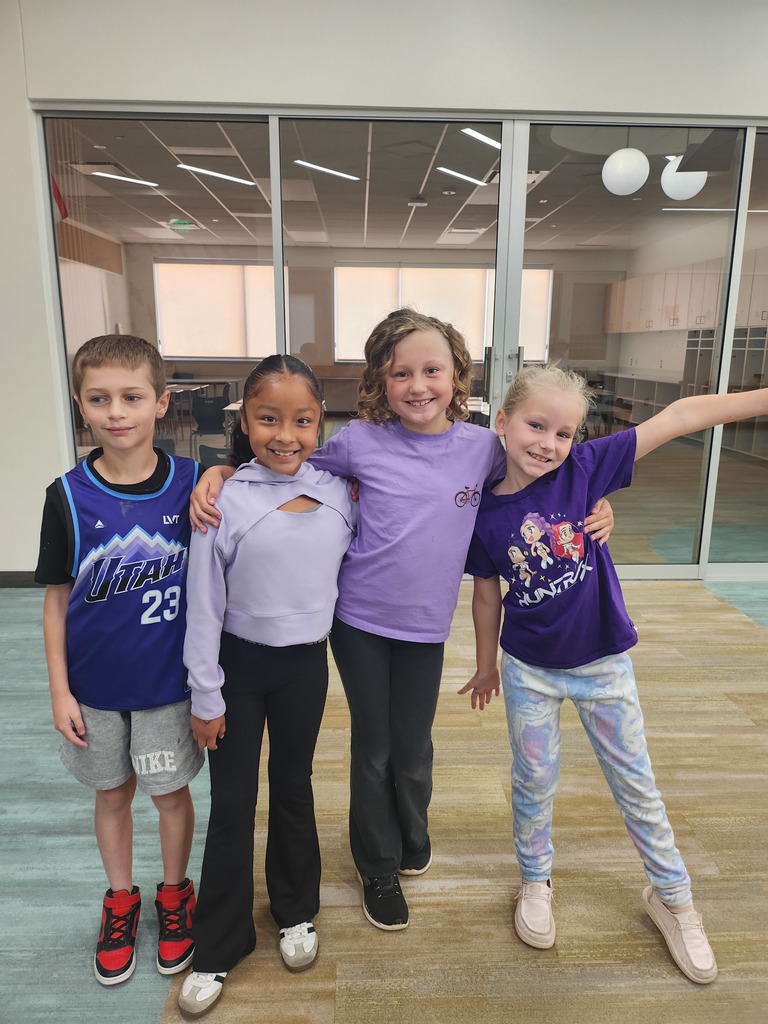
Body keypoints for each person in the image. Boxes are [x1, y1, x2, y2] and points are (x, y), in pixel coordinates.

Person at [189, 310, 614, 934]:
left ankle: (412, 834)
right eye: (401, 373)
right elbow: (286, 465)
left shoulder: (481, 449)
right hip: (357, 620)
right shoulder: (357, 442)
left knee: (413, 749)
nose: (418, 385)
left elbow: (539, 475)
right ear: (380, 383)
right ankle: (377, 865)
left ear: (456, 376)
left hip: (427, 626)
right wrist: (220, 471)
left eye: (432, 371)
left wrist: (597, 505)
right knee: (375, 748)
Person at [461, 363, 768, 985]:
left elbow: (679, 416)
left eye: (565, 432)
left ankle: (673, 898)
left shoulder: (585, 470)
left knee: (637, 787)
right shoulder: (483, 515)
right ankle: (535, 880)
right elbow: (488, 595)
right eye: (536, 425)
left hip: (604, 667)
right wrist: (487, 665)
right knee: (533, 782)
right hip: (529, 673)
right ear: (502, 420)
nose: (548, 443)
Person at [178, 355, 355, 1018]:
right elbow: (204, 605)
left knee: (293, 788)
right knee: (231, 805)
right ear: (244, 422)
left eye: (302, 420)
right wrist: (206, 694)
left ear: (320, 424)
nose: (286, 434)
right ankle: (218, 945)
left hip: (306, 667)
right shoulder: (224, 498)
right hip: (236, 671)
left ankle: (295, 910)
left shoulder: (342, 489)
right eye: (268, 418)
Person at [35, 335, 203, 986]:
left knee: (168, 796)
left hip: (167, 687)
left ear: (160, 403)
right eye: (99, 399)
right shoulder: (67, 496)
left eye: (131, 397)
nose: (116, 412)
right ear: (81, 405)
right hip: (94, 689)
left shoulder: (193, 485)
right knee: (112, 794)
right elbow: (55, 603)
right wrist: (59, 692)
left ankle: (173, 894)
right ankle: (121, 898)